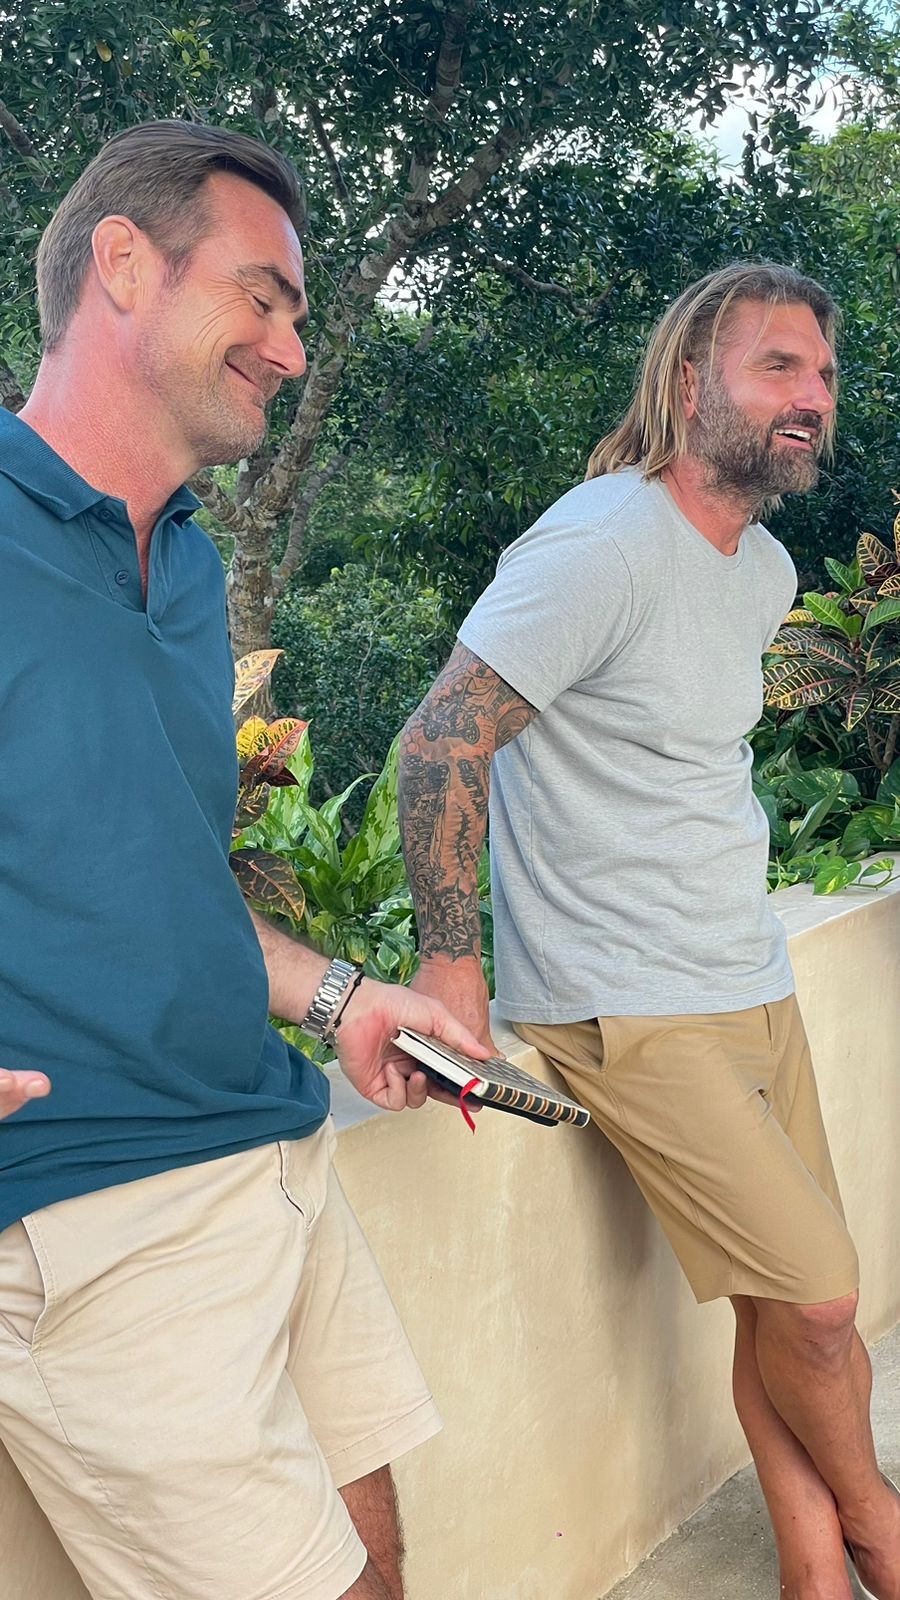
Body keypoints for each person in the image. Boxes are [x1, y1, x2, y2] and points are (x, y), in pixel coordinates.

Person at [0, 119, 489, 1600]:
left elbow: (152, 875)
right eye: (261, 298)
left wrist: (343, 998)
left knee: (381, 1563)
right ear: (124, 265)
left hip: (271, 1149)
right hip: (97, 1207)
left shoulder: (192, 560)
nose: (290, 347)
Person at [398, 262, 900, 1600]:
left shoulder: (764, 568)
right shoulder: (601, 544)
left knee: (778, 1303)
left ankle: (814, 1570)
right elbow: (442, 738)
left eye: (824, 373)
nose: (812, 397)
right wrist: (452, 966)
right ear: (689, 382)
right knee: (823, 1302)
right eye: (778, 366)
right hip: (627, 1000)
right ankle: (880, 1529)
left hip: (747, 972)